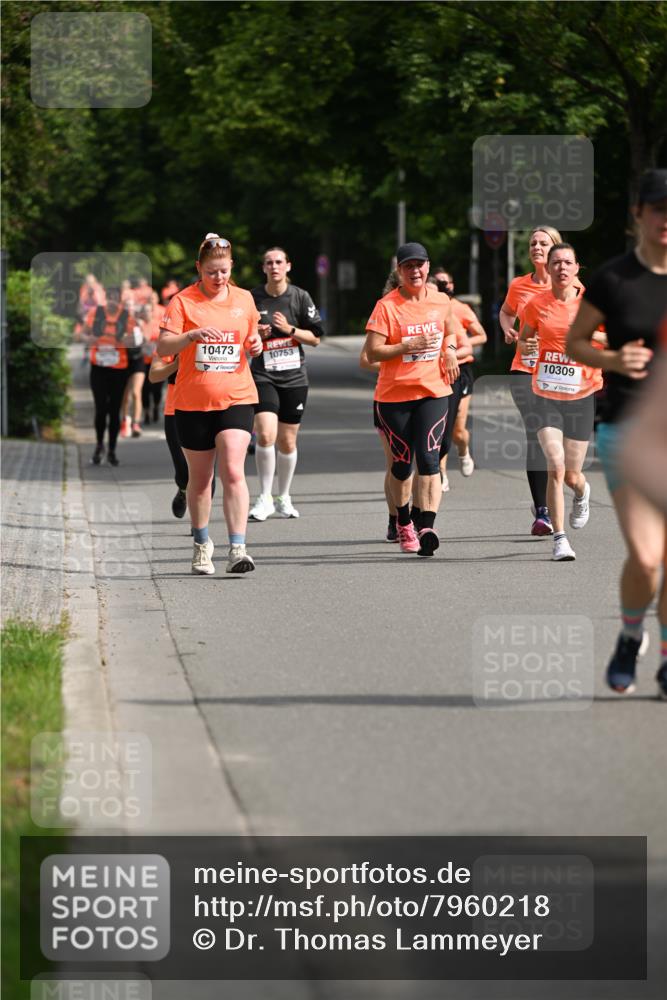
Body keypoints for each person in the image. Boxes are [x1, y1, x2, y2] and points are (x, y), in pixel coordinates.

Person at [567, 168, 667, 696]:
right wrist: (613, 358)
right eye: (658, 209)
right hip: (629, 433)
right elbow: (574, 342)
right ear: (639, 215)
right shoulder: (614, 278)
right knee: (648, 557)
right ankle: (630, 636)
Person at [157, 233, 262, 575]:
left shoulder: (244, 299)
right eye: (211, 272)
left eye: (224, 271)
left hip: (237, 396)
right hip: (193, 401)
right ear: (198, 269)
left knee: (233, 469)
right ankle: (202, 545)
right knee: (199, 481)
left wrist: (257, 343)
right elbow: (162, 348)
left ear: (232, 266)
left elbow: (250, 338)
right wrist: (190, 336)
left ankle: (238, 548)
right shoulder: (183, 302)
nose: (218, 278)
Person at [363, 242, 459, 557]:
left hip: (434, 391)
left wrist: (449, 350)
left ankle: (427, 526)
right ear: (399, 271)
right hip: (394, 396)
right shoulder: (387, 306)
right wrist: (409, 345)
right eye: (408, 266)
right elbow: (373, 351)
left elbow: (450, 332)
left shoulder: (441, 300)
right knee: (402, 466)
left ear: (428, 267)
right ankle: (404, 522)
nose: (415, 271)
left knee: (430, 460)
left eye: (420, 265)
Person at [519, 243, 603, 561]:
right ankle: (560, 539)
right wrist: (528, 348)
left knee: (572, 475)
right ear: (549, 268)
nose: (562, 268)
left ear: (577, 268)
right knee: (555, 466)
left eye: (568, 262)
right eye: (556, 263)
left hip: (581, 395)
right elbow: (527, 337)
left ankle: (582, 493)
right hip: (545, 394)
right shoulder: (536, 304)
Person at [248, 247, 324, 520]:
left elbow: (315, 338)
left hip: (294, 377)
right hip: (263, 374)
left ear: (288, 266)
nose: (274, 266)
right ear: (263, 268)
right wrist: (255, 332)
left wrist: (290, 329)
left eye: (279, 262)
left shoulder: (300, 297)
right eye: (269, 262)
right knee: (266, 435)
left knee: (287, 441)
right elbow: (240, 334)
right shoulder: (252, 298)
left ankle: (283, 496)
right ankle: (264, 497)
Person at [500, 227, 566, 536]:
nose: (536, 247)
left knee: (557, 442)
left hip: (559, 373)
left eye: (543, 243)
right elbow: (505, 312)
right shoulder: (519, 285)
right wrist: (508, 329)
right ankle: (542, 510)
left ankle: (564, 491)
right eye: (533, 243)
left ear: (555, 249)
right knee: (536, 433)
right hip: (524, 371)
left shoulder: (573, 286)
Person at [432, 268, 487, 489]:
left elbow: (481, 335)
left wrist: (454, 350)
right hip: (438, 373)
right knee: (441, 427)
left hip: (461, 371)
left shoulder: (460, 309)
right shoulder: (429, 308)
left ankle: (463, 450)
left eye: (448, 282)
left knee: (457, 429)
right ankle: (441, 474)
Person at [83, 286, 135, 466]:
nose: (112, 301)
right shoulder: (95, 313)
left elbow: (135, 339)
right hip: (99, 367)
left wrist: (130, 340)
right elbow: (83, 333)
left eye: (115, 298)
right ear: (105, 298)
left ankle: (112, 449)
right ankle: (99, 445)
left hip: (119, 368)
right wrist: (86, 339)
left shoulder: (126, 316)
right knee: (100, 408)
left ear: (120, 300)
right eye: (109, 297)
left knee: (114, 410)